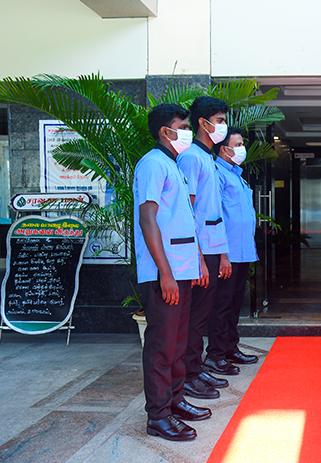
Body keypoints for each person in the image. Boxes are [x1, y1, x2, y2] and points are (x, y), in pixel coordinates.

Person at [134, 103, 210, 442]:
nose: (187, 132)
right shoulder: (152, 164)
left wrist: (195, 264)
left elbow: (183, 222)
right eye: (182, 126)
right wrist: (165, 273)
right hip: (164, 272)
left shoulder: (172, 164)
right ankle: (158, 417)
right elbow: (148, 219)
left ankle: (175, 401)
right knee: (162, 346)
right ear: (166, 131)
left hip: (181, 269)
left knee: (178, 344)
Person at [177, 96, 233, 399]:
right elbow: (189, 211)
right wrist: (197, 257)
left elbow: (214, 212)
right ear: (204, 123)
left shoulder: (207, 158)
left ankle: (195, 369)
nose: (222, 126)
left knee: (202, 315)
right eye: (220, 120)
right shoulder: (190, 158)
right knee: (194, 317)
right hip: (199, 252)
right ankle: (188, 374)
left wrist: (222, 254)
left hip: (212, 249)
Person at [203, 127, 259, 376]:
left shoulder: (237, 174)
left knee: (235, 304)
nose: (241, 149)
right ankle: (215, 355)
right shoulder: (218, 174)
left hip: (243, 250)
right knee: (222, 305)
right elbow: (215, 215)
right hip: (227, 254)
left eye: (241, 144)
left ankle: (230, 348)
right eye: (237, 145)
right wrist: (222, 255)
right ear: (223, 149)